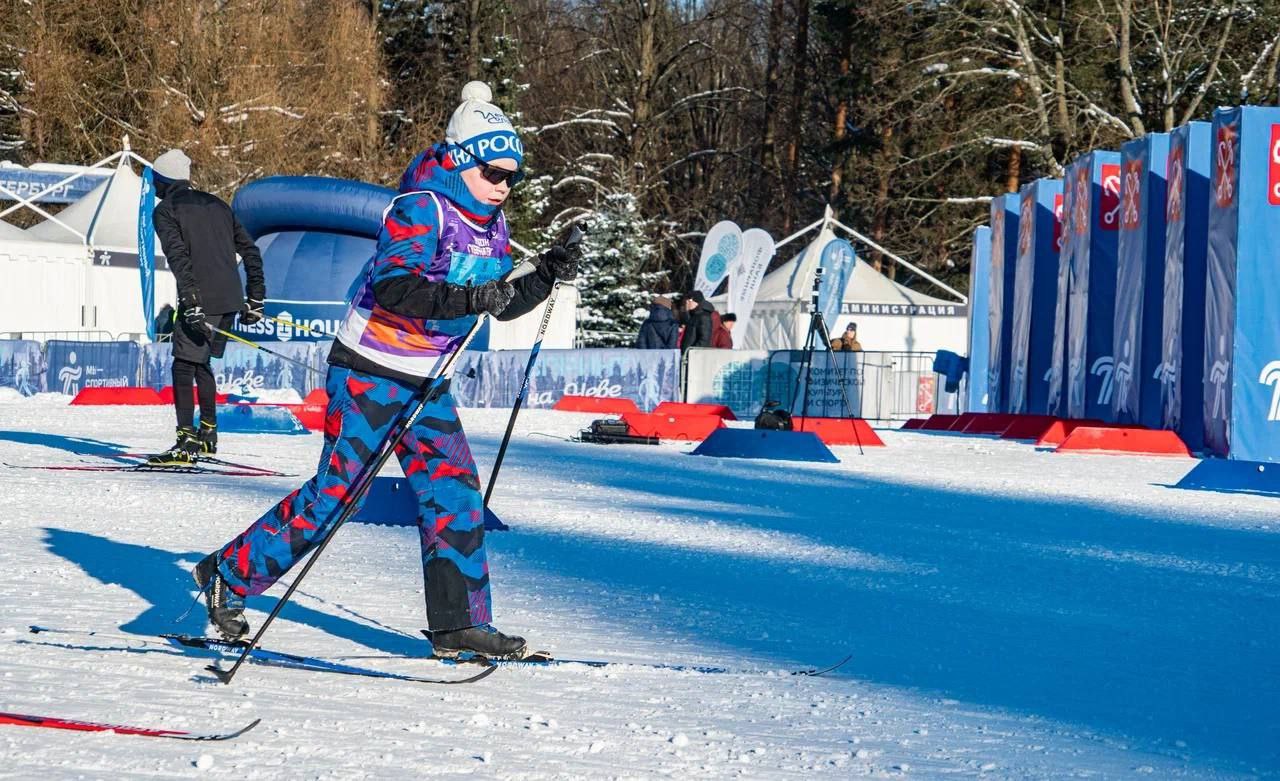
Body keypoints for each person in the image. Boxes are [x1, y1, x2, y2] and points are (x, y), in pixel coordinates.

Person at [191, 82, 577, 659]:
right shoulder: (421, 208)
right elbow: (396, 288)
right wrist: (473, 298)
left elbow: (498, 301)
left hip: (427, 381)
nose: (503, 186)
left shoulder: (492, 226)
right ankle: (229, 573)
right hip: (370, 372)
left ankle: (459, 625)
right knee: (338, 493)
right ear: (461, 160)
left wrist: (544, 275)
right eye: (494, 172)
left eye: (512, 178)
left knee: (455, 493)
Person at [147, 149, 265, 465]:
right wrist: (256, 297)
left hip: (202, 299)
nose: (154, 187)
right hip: (230, 300)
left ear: (163, 180)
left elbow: (179, 259)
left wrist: (191, 302)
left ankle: (186, 441)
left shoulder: (165, 210)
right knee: (200, 363)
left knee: (183, 365)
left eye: (155, 180)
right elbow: (251, 251)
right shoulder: (217, 204)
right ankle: (208, 433)